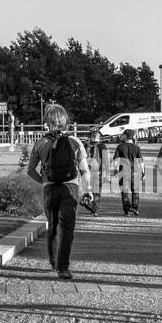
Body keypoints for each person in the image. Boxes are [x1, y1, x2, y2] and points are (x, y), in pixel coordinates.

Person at [26, 103, 94, 280]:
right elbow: (85, 171)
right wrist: (88, 190)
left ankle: (53, 261)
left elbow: (30, 170)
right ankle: (63, 268)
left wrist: (45, 181)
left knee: (53, 225)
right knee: (67, 229)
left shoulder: (40, 143)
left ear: (47, 122)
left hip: (49, 189)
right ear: (65, 121)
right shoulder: (75, 142)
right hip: (70, 188)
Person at [113, 129, 144, 216]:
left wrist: (115, 170)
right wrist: (143, 172)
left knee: (125, 192)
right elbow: (141, 162)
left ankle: (126, 211)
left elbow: (115, 160)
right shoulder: (137, 148)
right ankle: (135, 208)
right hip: (135, 172)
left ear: (126, 136)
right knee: (135, 191)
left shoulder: (120, 147)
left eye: (123, 134)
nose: (122, 136)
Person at [87, 129, 107, 208]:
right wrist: (107, 172)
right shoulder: (102, 146)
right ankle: (95, 207)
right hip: (98, 171)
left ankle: (89, 204)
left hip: (87, 171)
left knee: (89, 189)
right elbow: (105, 160)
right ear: (99, 138)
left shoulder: (87, 145)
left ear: (92, 137)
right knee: (97, 190)